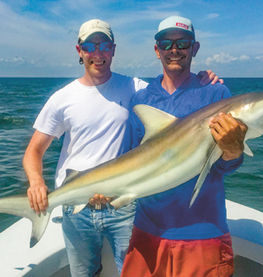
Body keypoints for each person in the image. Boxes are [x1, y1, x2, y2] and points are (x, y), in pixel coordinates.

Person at [23, 18, 223, 277]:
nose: (98, 53)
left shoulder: (134, 88)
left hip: (123, 204)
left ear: (113, 49)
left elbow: (167, 86)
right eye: (90, 46)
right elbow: (34, 151)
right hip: (76, 206)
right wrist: (37, 182)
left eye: (104, 45)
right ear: (79, 51)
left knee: (130, 273)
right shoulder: (62, 98)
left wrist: (201, 79)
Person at [121, 16, 247, 277]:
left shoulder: (215, 94)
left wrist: (234, 150)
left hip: (203, 231)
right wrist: (106, 191)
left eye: (183, 43)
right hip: (147, 230)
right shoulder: (141, 100)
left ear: (195, 48)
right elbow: (127, 158)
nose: (174, 49)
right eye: (166, 43)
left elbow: (226, 166)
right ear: (157, 50)